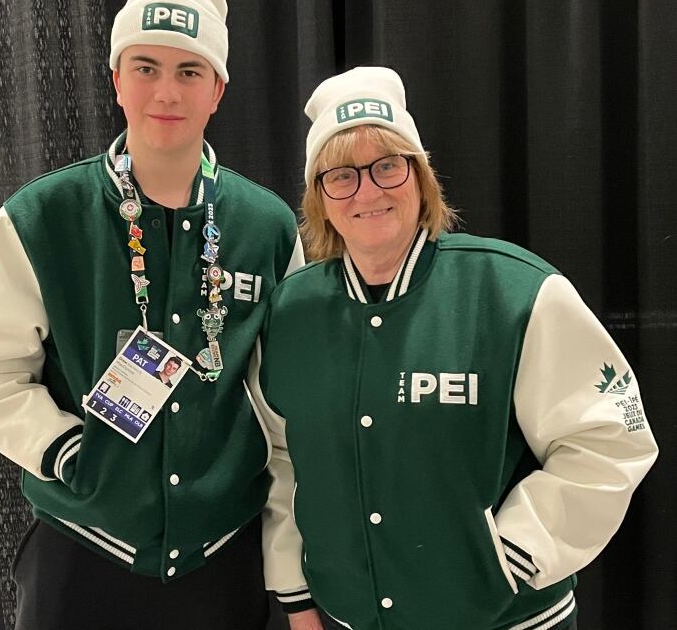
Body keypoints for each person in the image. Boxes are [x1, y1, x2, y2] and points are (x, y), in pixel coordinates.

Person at [0, 0, 303, 630]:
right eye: (147, 67)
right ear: (116, 78)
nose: (167, 92)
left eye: (190, 71)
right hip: (83, 560)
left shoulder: (268, 226)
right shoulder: (42, 217)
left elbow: (284, 402)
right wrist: (65, 450)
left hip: (223, 559)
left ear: (218, 88)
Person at [250, 66, 658, 630]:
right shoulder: (292, 312)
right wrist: (296, 595)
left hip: (499, 617)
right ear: (320, 198)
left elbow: (610, 439)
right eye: (340, 175)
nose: (368, 191)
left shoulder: (515, 291)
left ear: (420, 176)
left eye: (387, 166)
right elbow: (284, 455)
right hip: (346, 618)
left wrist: (512, 555)